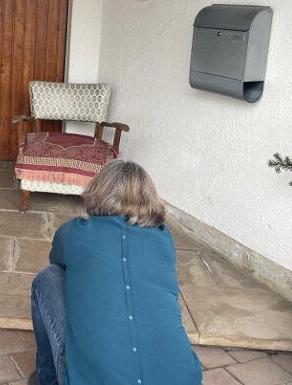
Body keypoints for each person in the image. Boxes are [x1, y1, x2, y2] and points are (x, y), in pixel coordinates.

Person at [31, 159, 202, 385]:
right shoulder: (163, 238)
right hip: (183, 380)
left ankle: (46, 380)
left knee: (47, 278)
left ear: (99, 191)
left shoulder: (74, 233)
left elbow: (57, 262)